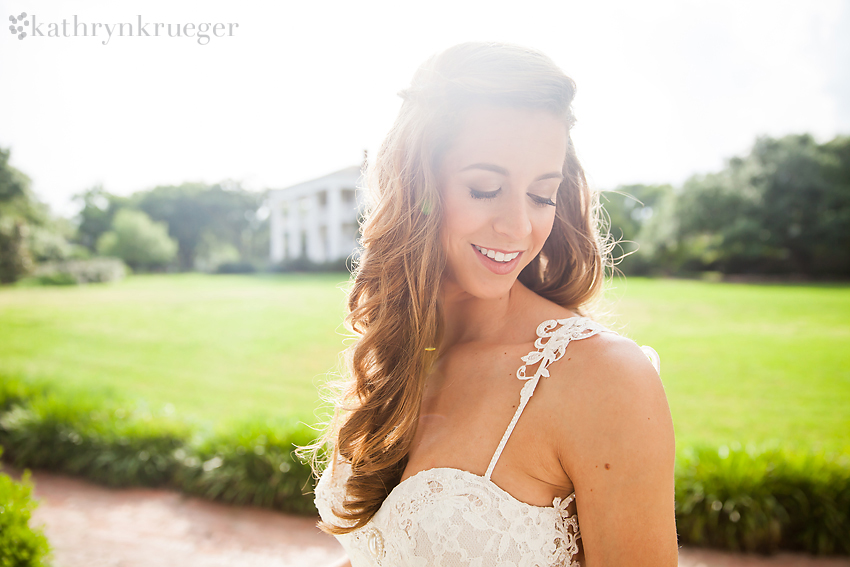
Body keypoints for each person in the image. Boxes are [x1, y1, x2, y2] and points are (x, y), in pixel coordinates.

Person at [308, 41, 678, 566]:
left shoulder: (601, 378)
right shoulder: (398, 352)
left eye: (542, 194)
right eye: (485, 188)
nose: (518, 227)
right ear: (415, 186)